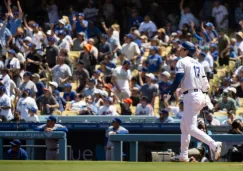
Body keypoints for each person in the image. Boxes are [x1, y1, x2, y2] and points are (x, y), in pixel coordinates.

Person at [165, 41, 222, 162]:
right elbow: (206, 85)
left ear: (186, 51)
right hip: (200, 95)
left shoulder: (182, 61)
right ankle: (183, 155)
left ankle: (214, 144)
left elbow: (178, 78)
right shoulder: (198, 64)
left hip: (191, 95)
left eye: (181, 48)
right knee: (184, 126)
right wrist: (204, 97)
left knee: (190, 128)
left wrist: (170, 93)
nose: (179, 50)